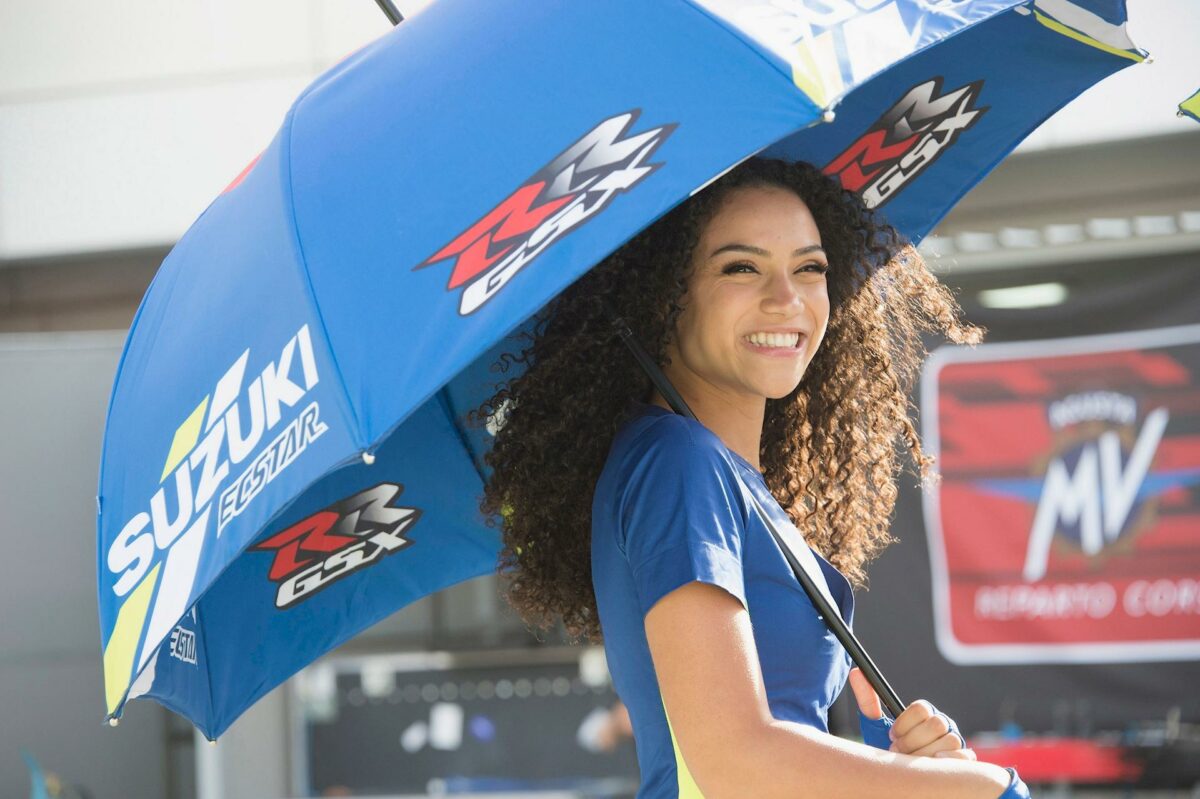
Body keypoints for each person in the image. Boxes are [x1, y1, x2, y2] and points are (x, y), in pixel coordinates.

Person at [470, 158, 1030, 797]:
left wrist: (903, 767)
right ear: (661, 293)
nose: (786, 299)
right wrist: (983, 788)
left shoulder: (719, 473)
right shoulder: (678, 461)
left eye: (809, 268)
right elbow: (734, 765)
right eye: (741, 267)